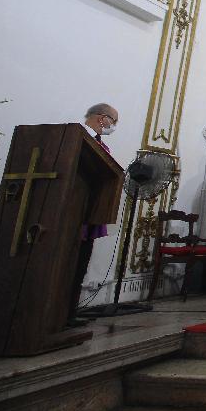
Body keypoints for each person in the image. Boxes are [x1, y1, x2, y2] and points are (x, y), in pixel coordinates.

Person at [71, 102, 119, 322]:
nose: (113, 125)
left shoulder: (97, 143)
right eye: (113, 121)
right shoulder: (78, 138)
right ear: (102, 119)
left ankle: (69, 310)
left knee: (80, 262)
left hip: (90, 210)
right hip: (73, 211)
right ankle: (61, 312)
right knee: (69, 263)